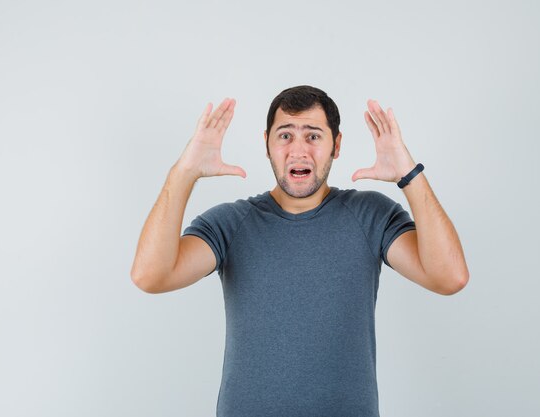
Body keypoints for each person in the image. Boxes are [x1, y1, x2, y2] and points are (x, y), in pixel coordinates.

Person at [131, 85, 469, 417]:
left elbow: (449, 277)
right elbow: (150, 276)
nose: (298, 150)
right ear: (266, 144)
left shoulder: (370, 216)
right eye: (285, 135)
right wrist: (184, 173)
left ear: (336, 145)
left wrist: (409, 175)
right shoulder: (231, 223)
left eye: (313, 136)